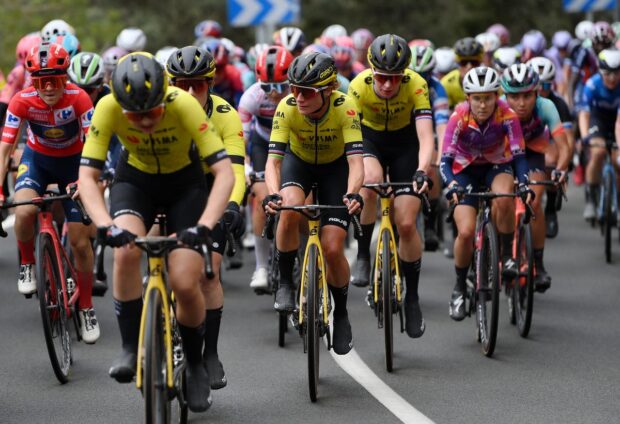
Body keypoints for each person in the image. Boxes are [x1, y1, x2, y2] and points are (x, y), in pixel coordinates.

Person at [78, 52, 234, 412]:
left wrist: (205, 226)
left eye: (152, 112)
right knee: (126, 251)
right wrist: (104, 225)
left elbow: (224, 173)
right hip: (136, 182)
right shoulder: (107, 107)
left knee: (184, 280)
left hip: (185, 187)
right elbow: (87, 177)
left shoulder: (184, 104)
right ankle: (131, 348)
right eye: (135, 115)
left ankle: (195, 363)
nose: (145, 121)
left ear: (165, 96)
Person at [263, 52, 364, 355]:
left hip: (336, 169)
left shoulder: (345, 108)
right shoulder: (287, 107)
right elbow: (273, 162)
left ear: (328, 89)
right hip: (300, 164)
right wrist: (272, 193)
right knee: (290, 208)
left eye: (305, 91)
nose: (298, 96)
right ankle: (283, 282)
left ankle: (342, 313)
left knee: (333, 247)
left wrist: (354, 192)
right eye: (293, 89)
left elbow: (356, 163)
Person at [0, 42, 100, 342]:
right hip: (38, 161)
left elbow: (94, 145)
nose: (47, 87)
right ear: (32, 80)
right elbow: (5, 150)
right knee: (24, 209)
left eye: (54, 79)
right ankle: (28, 264)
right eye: (40, 80)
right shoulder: (21, 100)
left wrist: (86, 181)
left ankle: (85, 306)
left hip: (75, 163)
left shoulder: (79, 98)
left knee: (82, 243)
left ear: (65, 78)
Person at [166, 45, 246, 390]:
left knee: (209, 273)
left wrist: (233, 206)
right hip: (170, 183)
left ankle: (209, 353)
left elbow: (237, 171)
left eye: (196, 85)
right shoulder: (158, 109)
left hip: (213, 183)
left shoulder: (226, 114)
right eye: (180, 85)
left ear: (210, 83)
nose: (188, 92)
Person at [348, 34, 434, 338]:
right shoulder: (357, 86)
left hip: (405, 144)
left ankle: (412, 298)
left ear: (404, 75)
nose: (387, 85)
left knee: (407, 224)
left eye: (394, 78)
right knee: (369, 182)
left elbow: (426, 137)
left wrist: (422, 171)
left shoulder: (417, 84)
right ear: (372, 72)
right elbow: (352, 139)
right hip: (369, 140)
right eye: (382, 78)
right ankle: (362, 254)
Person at [440, 66, 533, 321]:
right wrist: (452, 186)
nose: (482, 105)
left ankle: (505, 258)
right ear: (468, 98)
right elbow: (444, 162)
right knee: (466, 231)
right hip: (463, 169)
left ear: (496, 97)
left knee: (504, 198)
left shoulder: (508, 115)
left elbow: (519, 156)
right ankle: (459, 287)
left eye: (488, 98)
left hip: (496, 165)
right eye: (477, 99)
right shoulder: (458, 116)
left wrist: (523, 183)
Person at [501, 64, 570, 292]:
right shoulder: (498, 108)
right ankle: (491, 252)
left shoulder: (546, 106)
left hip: (532, 155)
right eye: (515, 96)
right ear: (505, 95)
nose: (521, 103)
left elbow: (563, 146)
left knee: (533, 203)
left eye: (527, 96)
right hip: (503, 155)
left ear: (536, 93)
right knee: (498, 201)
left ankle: (538, 265)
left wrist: (560, 169)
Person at [238, 46, 293, 291]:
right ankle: (261, 266)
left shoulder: (299, 96)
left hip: (293, 144)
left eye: (281, 87)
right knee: (262, 200)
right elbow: (241, 142)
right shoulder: (251, 97)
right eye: (266, 86)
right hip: (263, 144)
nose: (273, 93)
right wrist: (247, 167)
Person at [528, 56, 575, 238]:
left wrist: (563, 166)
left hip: (548, 143)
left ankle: (551, 209)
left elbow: (568, 140)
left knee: (550, 160)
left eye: (545, 86)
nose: (541, 90)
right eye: (537, 85)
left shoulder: (558, 104)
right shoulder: (519, 100)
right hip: (523, 143)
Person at [409, 44, 450, 251]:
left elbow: (442, 128)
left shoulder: (437, 89)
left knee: (431, 169)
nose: (419, 78)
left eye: (424, 74)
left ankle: (430, 224)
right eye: (415, 73)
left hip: (428, 132)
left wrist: (441, 156)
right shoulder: (401, 84)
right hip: (405, 135)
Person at [578, 49, 620, 222]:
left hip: (617, 121)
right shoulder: (592, 85)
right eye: (607, 74)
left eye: (616, 73)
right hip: (598, 120)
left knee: (618, 161)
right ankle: (591, 196)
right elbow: (584, 114)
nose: (612, 78)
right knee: (598, 152)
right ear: (600, 72)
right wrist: (585, 136)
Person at [441, 37, 484, 110]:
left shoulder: (490, 79)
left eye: (474, 62)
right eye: (463, 62)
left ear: (480, 62)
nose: (469, 66)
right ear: (457, 63)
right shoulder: (446, 83)